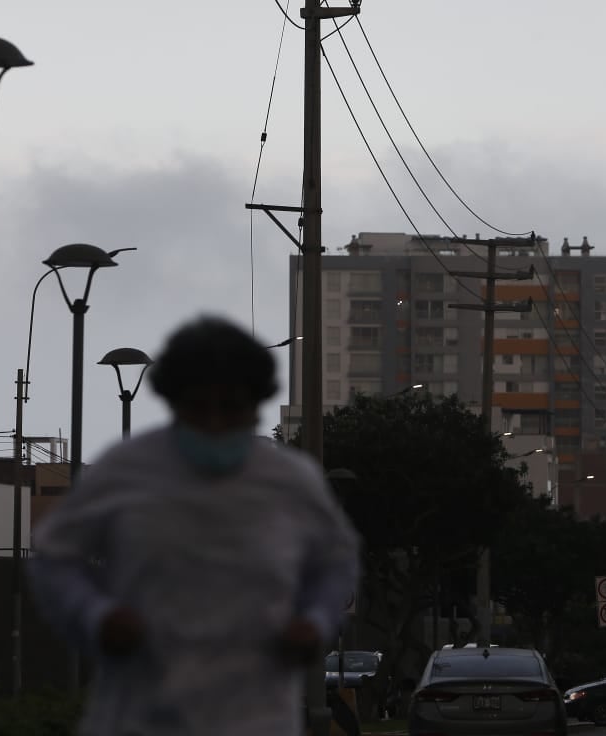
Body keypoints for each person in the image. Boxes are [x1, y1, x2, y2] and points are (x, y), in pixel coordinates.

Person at [28, 315, 361, 736]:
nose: (215, 422)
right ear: (174, 403)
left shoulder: (292, 482)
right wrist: (96, 615)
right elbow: (55, 556)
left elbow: (335, 562)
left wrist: (314, 620)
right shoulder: (124, 470)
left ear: (255, 406)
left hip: (258, 717)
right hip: (139, 716)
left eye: (231, 407)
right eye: (199, 407)